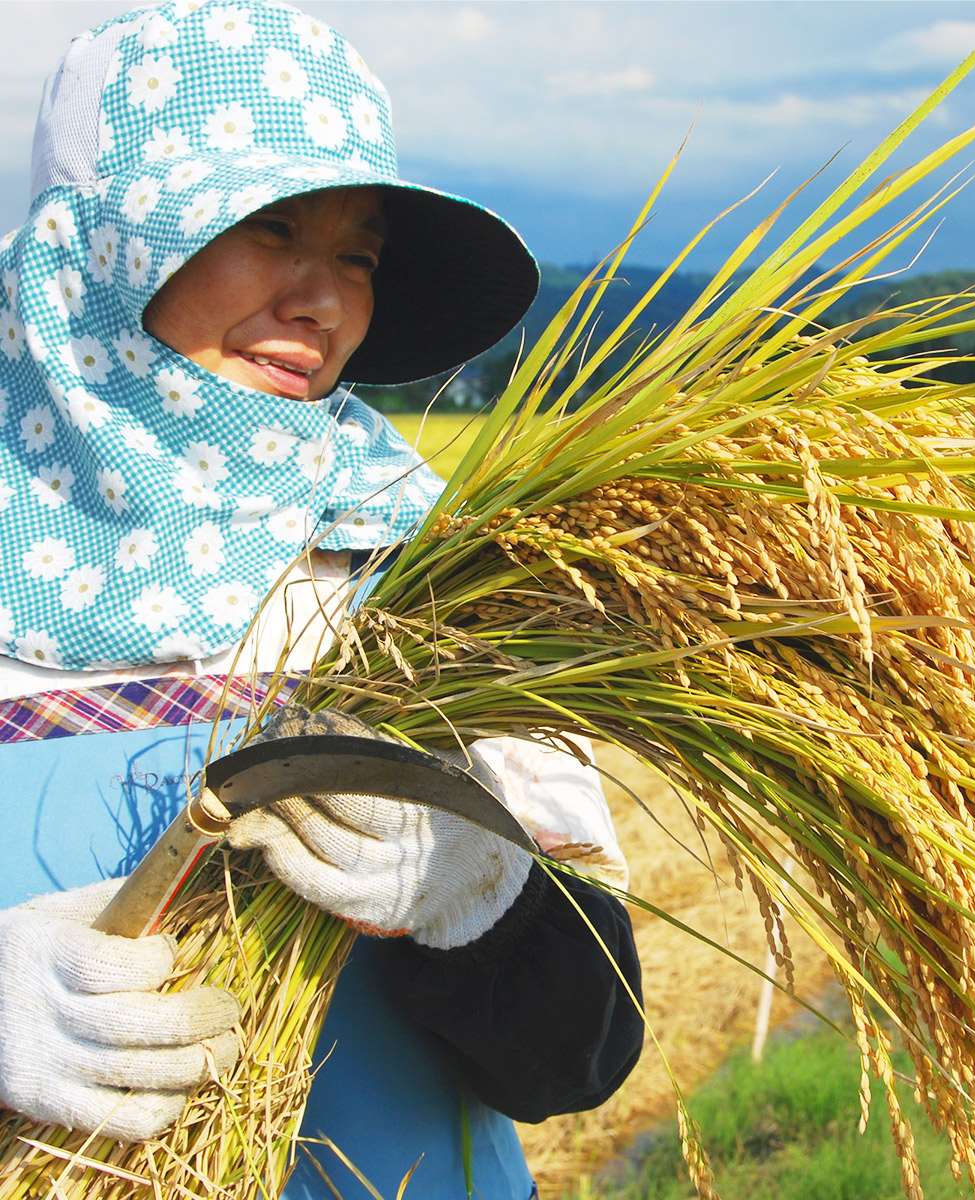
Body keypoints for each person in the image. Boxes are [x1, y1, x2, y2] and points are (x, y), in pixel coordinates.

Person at [0, 3, 643, 1198]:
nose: (323, 300)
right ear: (92, 247)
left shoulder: (425, 573)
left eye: (358, 254)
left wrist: (483, 897)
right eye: (265, 227)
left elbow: (581, 1057)